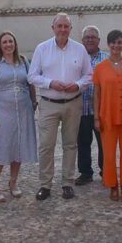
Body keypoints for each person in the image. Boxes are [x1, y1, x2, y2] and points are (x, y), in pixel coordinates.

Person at [28, 13, 93, 200]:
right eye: (59, 26)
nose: (63, 29)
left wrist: (78, 85)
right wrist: (50, 83)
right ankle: (45, 185)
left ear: (71, 29)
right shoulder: (42, 49)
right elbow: (32, 76)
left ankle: (67, 183)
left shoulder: (79, 49)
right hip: (49, 104)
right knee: (46, 146)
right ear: (53, 28)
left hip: (73, 103)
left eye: (66, 26)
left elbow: (89, 75)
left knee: (70, 145)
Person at [0, 31, 38, 202]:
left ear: (15, 43)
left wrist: (34, 101)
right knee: (3, 145)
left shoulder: (23, 61)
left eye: (11, 41)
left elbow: (30, 83)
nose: (8, 45)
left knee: (19, 145)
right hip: (2, 110)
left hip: (23, 109)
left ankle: (13, 182)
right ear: (0, 45)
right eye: (5, 42)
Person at [93, 30, 122, 201]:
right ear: (108, 44)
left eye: (119, 42)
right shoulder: (100, 68)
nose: (116, 46)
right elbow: (97, 94)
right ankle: (112, 185)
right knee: (109, 154)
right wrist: (97, 117)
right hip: (108, 116)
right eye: (113, 42)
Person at [75, 25, 108, 186]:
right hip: (81, 108)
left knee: (104, 144)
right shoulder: (75, 57)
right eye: (87, 37)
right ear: (82, 41)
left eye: (92, 37)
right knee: (82, 143)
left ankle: (106, 172)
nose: (89, 40)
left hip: (100, 110)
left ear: (98, 41)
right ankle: (85, 173)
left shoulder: (106, 59)